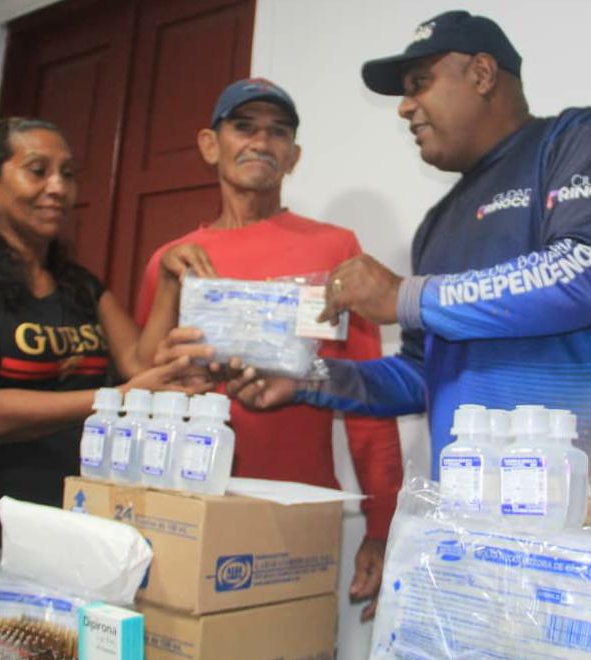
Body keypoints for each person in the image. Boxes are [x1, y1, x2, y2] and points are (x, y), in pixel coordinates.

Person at [226, 12, 591, 524]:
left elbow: (586, 275)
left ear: (482, 75)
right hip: (470, 519)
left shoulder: (577, 142)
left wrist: (405, 296)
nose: (403, 108)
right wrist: (309, 379)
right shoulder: (438, 224)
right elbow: (422, 375)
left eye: (419, 85)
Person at [0, 117, 212, 644]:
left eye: (67, 174)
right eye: (38, 171)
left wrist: (170, 282)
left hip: (55, 538)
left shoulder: (77, 284)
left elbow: (136, 362)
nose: (58, 187)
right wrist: (114, 398)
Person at [134, 78, 404, 621]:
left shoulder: (336, 248)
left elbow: (367, 391)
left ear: (294, 156)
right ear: (210, 144)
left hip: (298, 507)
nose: (261, 141)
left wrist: (382, 525)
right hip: (185, 504)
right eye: (244, 126)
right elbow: (140, 388)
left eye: (278, 132)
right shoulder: (172, 260)